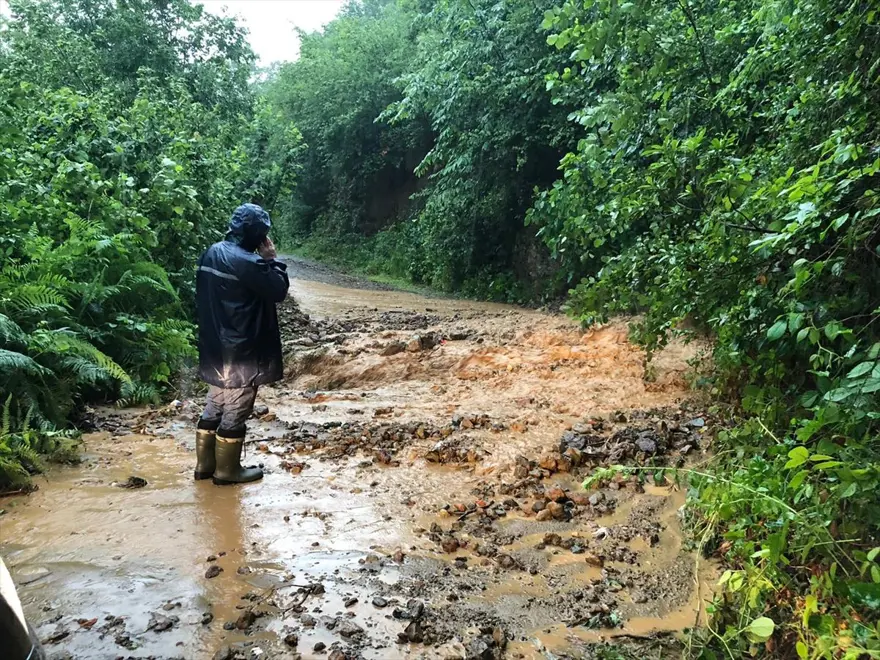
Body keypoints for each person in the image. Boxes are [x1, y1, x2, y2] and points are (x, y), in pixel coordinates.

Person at [193, 203, 289, 485]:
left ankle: (205, 466)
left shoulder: (210, 252)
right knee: (236, 408)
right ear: (257, 235)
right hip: (242, 351)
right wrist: (271, 259)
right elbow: (279, 290)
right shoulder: (250, 262)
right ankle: (227, 471)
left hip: (214, 347)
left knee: (215, 403)